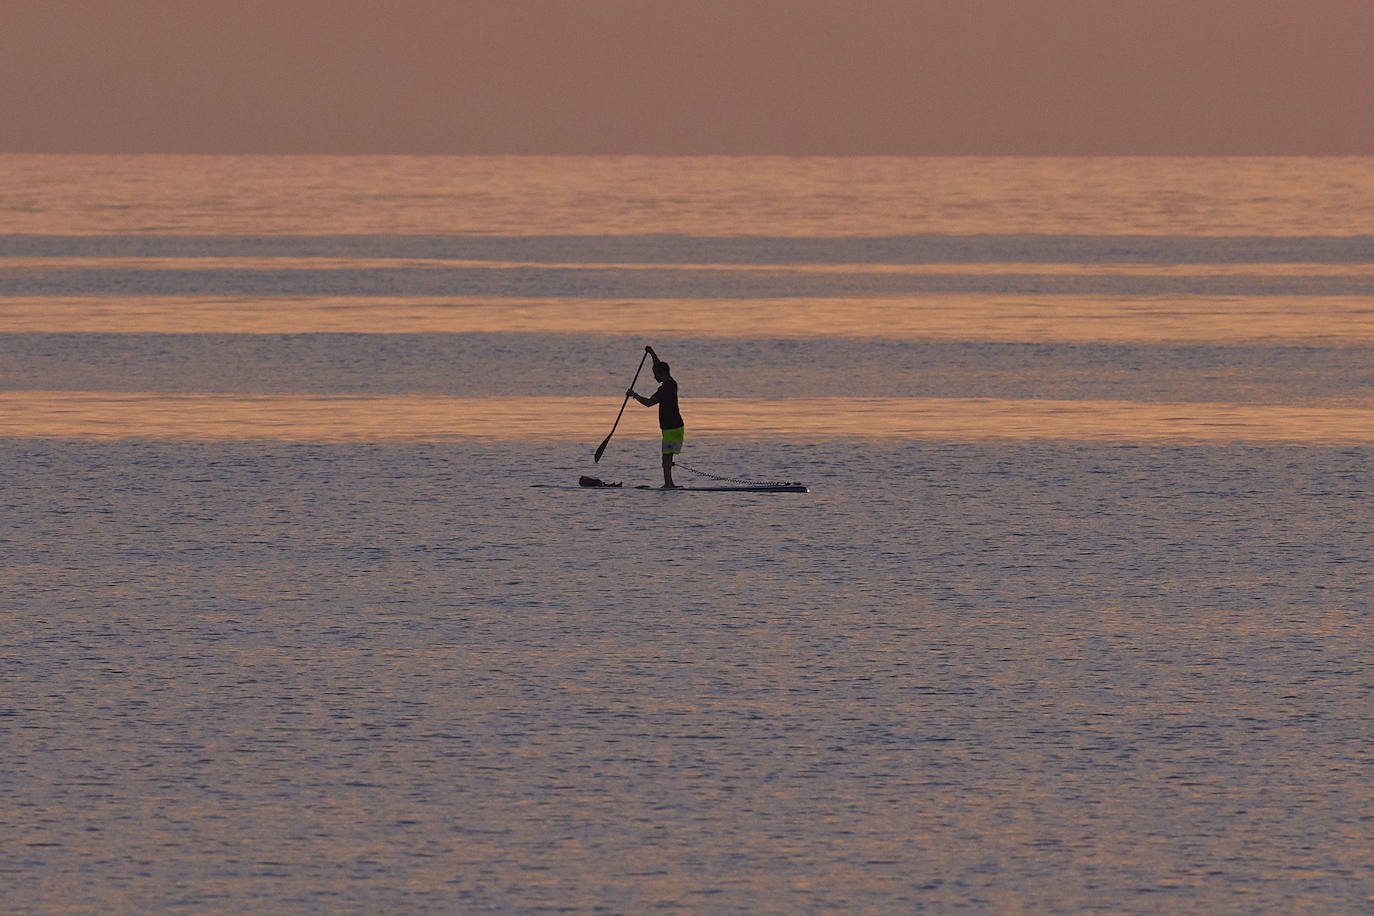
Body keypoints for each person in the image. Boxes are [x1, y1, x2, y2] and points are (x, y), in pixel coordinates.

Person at [627, 345, 684, 488]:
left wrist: (634, 395)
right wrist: (652, 353)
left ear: (662, 374)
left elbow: (648, 403)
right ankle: (669, 483)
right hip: (672, 427)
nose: (654, 377)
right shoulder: (671, 382)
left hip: (672, 428)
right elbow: (658, 365)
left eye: (656, 375)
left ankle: (668, 484)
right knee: (667, 457)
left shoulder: (665, 388)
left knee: (666, 458)